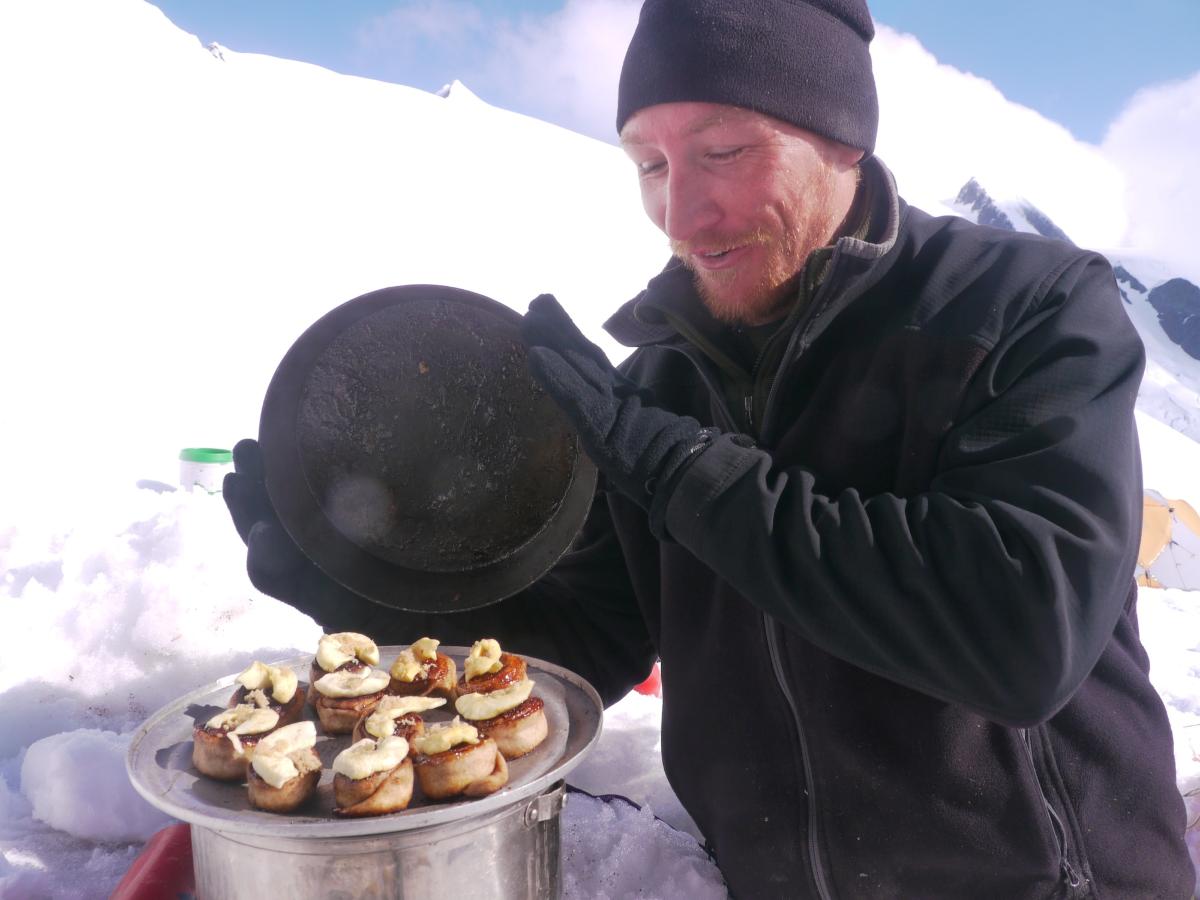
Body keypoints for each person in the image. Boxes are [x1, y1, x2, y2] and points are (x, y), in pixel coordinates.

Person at [224, 0, 1195, 896]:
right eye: (651, 165)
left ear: (842, 141)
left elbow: (1021, 636)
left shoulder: (1023, 310)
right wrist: (356, 598)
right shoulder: (665, 383)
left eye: (725, 151)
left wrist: (680, 465)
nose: (682, 215)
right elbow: (580, 655)